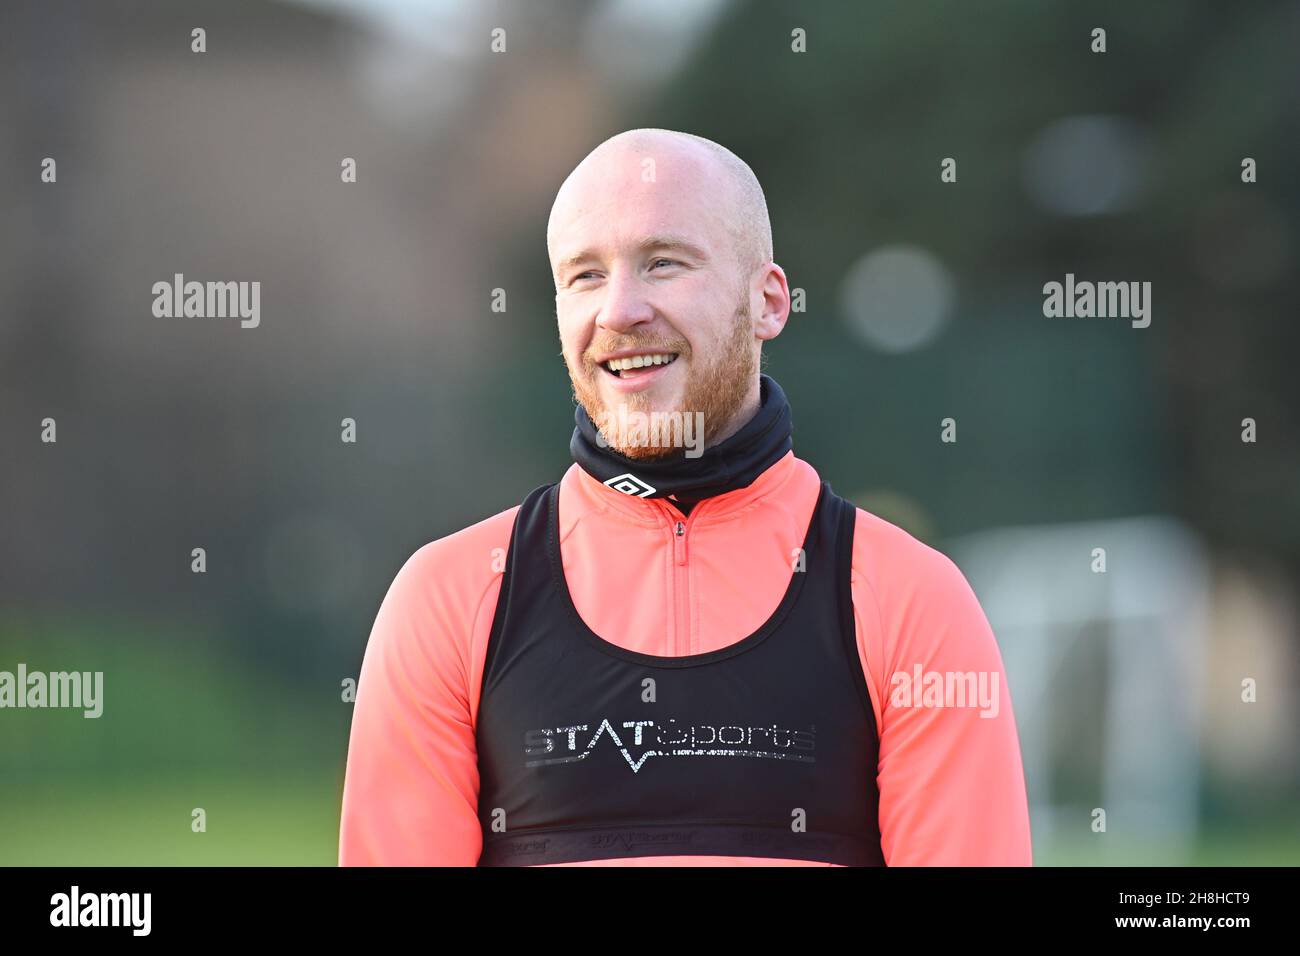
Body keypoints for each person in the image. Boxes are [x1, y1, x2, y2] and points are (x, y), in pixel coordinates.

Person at [338, 128, 1032, 866]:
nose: (620, 311)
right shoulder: (446, 599)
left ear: (768, 302)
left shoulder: (912, 599)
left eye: (663, 263)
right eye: (584, 276)